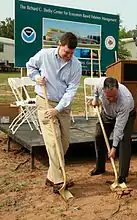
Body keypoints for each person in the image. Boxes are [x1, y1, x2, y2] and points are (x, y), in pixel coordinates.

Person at [26, 32, 82, 193]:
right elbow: (30, 66)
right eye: (66, 52)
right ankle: (59, 180)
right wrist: (36, 77)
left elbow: (71, 90)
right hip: (45, 100)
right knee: (54, 141)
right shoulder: (44, 55)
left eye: (72, 53)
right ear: (59, 45)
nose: (68, 56)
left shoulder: (76, 65)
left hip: (63, 106)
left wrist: (57, 109)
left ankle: (51, 176)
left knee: (64, 143)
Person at [90, 77, 136, 185]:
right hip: (107, 114)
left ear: (118, 89)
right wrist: (95, 99)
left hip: (126, 116)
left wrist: (114, 147)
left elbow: (119, 127)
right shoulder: (100, 84)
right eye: (109, 97)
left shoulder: (125, 100)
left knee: (124, 141)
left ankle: (122, 176)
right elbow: (96, 90)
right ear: (104, 90)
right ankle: (100, 167)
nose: (112, 99)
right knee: (99, 136)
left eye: (115, 96)